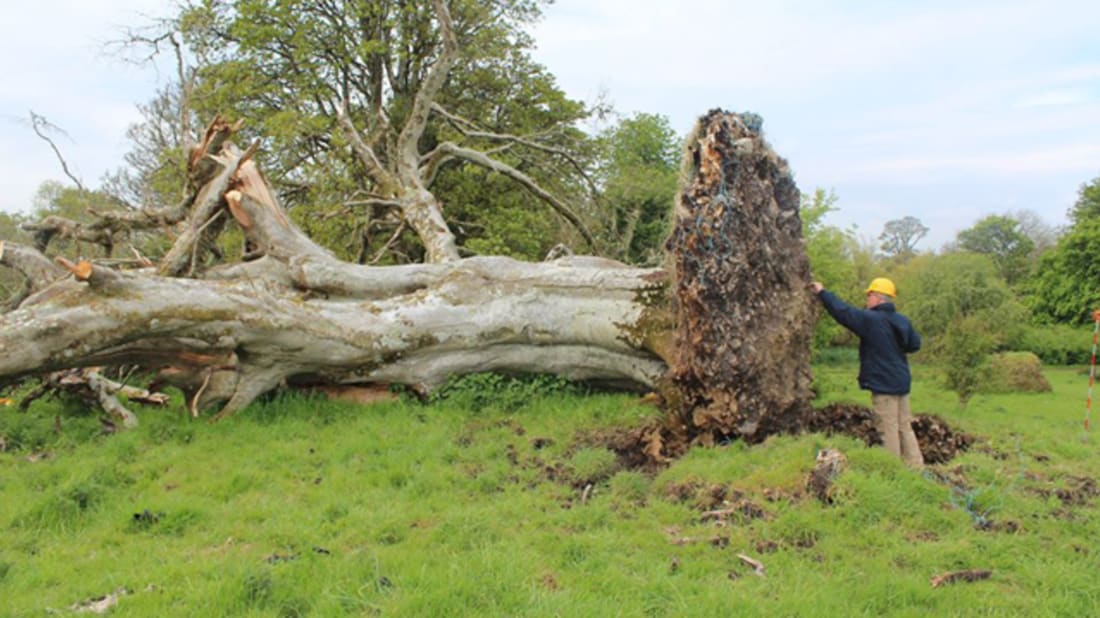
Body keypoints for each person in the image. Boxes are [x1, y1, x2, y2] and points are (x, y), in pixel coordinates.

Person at [811, 278, 924, 467]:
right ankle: (916, 466)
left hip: (884, 384)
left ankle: (892, 469)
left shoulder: (871, 320)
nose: (867, 300)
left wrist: (822, 293)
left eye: (869, 295)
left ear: (878, 297)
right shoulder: (902, 320)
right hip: (901, 381)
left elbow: (843, 312)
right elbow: (914, 345)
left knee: (887, 427)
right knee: (904, 425)